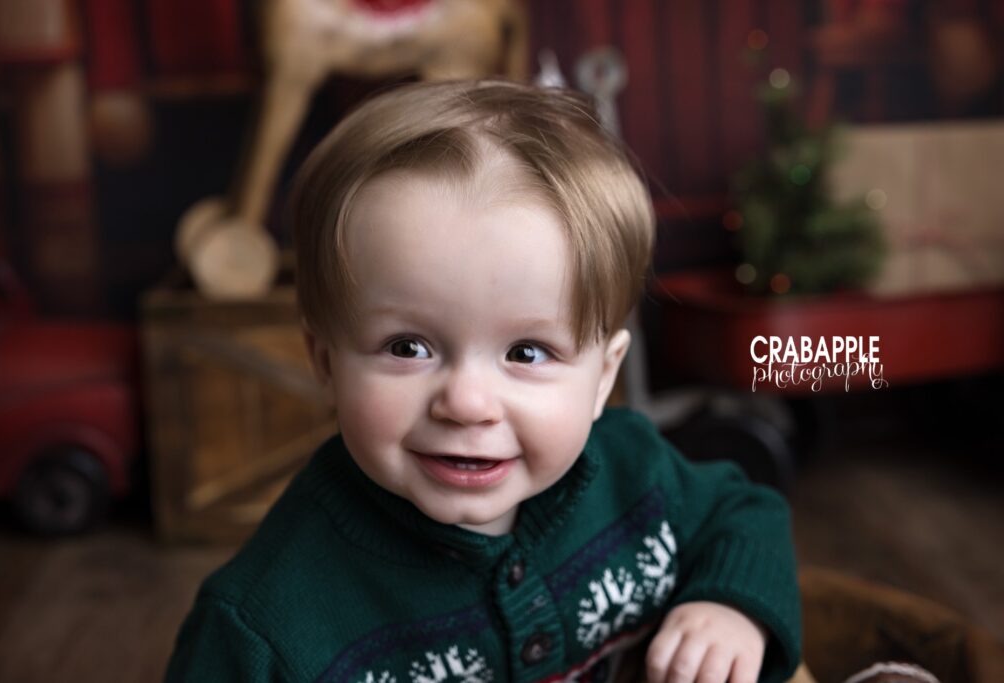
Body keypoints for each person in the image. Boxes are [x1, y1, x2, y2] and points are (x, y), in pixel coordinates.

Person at [166, 80, 801, 683]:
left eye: (528, 352)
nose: (467, 404)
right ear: (326, 362)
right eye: (407, 347)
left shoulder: (635, 470)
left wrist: (729, 607)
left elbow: (744, 514)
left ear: (603, 376)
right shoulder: (267, 622)